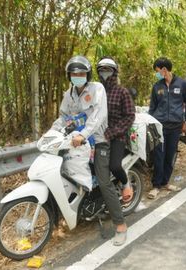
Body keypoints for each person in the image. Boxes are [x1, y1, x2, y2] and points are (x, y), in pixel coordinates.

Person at [51, 55, 127, 246]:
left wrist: (84, 134)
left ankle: (120, 226)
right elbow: (63, 117)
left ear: (88, 74)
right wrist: (50, 132)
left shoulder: (97, 89)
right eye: (74, 73)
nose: (78, 76)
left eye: (81, 73)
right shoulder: (68, 94)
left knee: (103, 181)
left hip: (99, 141)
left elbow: (98, 116)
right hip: (75, 143)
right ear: (69, 76)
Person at [147, 57, 186, 199]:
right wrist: (150, 122)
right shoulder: (157, 86)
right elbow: (152, 107)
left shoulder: (183, 84)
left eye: (157, 71)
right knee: (158, 155)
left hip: (175, 126)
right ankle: (156, 186)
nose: (157, 74)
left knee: (170, 155)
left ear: (164, 69)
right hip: (159, 126)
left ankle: (165, 182)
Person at [96, 56, 135, 204]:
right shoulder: (95, 91)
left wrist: (111, 132)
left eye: (108, 70)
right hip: (97, 135)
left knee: (114, 166)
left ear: (114, 72)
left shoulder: (122, 92)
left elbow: (130, 116)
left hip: (117, 136)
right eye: (102, 70)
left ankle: (126, 184)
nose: (105, 73)